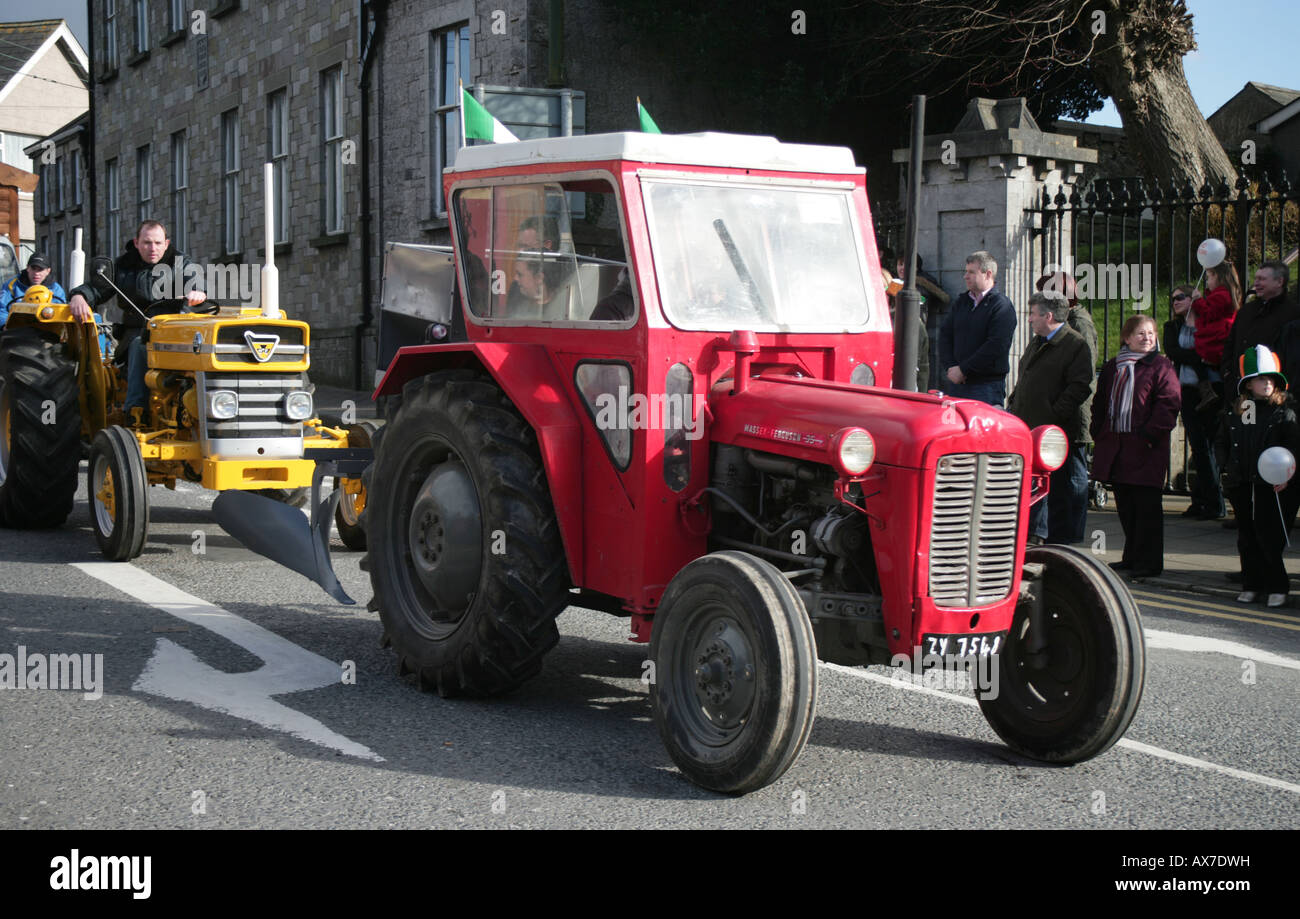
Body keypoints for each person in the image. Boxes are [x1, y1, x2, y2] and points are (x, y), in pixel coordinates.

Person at [68, 220, 206, 426]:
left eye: (158, 243)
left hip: (174, 331)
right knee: (141, 345)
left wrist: (197, 292)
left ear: (166, 243)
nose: (153, 248)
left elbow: (194, 280)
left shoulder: (180, 263)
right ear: (136, 243)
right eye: (147, 243)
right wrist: (79, 295)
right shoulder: (123, 267)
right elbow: (97, 288)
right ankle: (135, 412)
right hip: (137, 331)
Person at [1091, 314, 1182, 577]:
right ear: (1127, 338)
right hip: (1117, 446)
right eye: (1141, 333)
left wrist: (1149, 434)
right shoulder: (1112, 367)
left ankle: (1149, 563)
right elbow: (1100, 402)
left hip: (1145, 447)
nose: (1147, 338)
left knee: (1147, 509)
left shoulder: (1161, 367)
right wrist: (1098, 430)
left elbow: (1169, 403)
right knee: (1126, 506)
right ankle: (1131, 557)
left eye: (1151, 333)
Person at [1007, 291, 1095, 544]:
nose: (1029, 320)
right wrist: (1014, 401)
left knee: (1061, 489)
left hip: (1054, 432)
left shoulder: (1074, 344)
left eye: (1033, 314)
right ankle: (1035, 532)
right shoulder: (1039, 340)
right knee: (1033, 486)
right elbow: (1026, 376)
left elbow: (1080, 386)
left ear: (1048, 316)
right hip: (1030, 427)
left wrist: (1054, 414)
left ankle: (1061, 540)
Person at [1223, 345, 1300, 607]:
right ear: (1248, 385)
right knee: (1247, 537)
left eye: (1270, 378)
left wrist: (1287, 475)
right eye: (1259, 378)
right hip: (1243, 482)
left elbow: (1293, 448)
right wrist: (1229, 468)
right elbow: (1229, 443)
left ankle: (1277, 586)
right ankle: (1252, 584)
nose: (1266, 383)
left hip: (1274, 486)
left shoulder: (1284, 413)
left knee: (1270, 537)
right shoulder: (1243, 412)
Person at [1163, 284, 1226, 520]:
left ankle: (1211, 501)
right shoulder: (1173, 326)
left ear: (1194, 298)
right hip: (1187, 390)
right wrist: (1201, 355)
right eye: (1173, 299)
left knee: (1208, 446)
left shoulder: (1208, 322)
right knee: (1198, 445)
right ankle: (1204, 501)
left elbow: (1218, 351)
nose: (1175, 301)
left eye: (1180, 297)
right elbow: (1174, 351)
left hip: (1213, 391)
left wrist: (1202, 355)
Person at [938, 250, 1016, 407]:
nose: (965, 276)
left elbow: (996, 346)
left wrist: (964, 370)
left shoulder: (1001, 306)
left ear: (988, 274)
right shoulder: (962, 302)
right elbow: (945, 334)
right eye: (966, 271)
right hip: (957, 384)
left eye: (971, 272)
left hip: (985, 387)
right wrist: (951, 367)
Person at [1188, 259, 1240, 411]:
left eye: (1209, 277)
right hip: (1218, 335)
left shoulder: (1222, 295)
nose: (1207, 281)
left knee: (1195, 357)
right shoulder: (1225, 294)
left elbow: (1208, 312)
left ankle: (1207, 391)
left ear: (1218, 276)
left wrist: (1198, 300)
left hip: (1216, 337)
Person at [0, 254, 68, 327]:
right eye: (33, 268)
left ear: (48, 271)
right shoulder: (12, 285)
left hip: (48, 329)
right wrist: (5, 325)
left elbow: (61, 313)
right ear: (27, 268)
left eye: (40, 269)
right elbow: (2, 308)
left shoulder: (56, 289)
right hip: (17, 329)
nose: (36, 273)